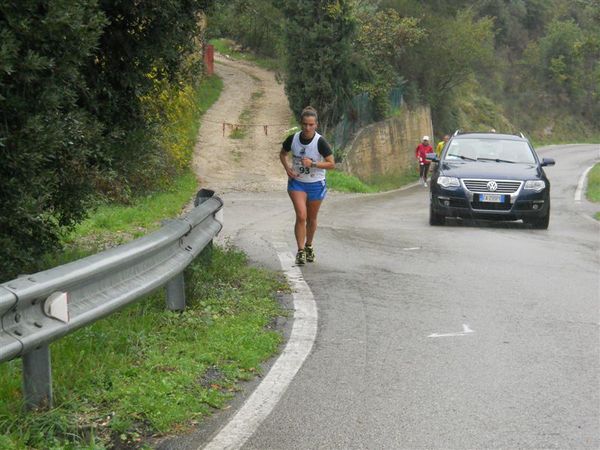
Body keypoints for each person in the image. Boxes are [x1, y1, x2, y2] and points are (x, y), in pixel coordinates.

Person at [280, 106, 335, 265]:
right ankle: (300, 251)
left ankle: (309, 246)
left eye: (311, 124)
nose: (307, 127)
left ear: (316, 124)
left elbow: (332, 164)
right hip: (297, 183)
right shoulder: (293, 139)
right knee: (301, 216)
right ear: (301, 123)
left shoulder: (320, 142)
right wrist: (287, 169)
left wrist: (313, 164)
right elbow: (282, 153)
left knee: (311, 218)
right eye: (305, 124)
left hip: (316, 184)